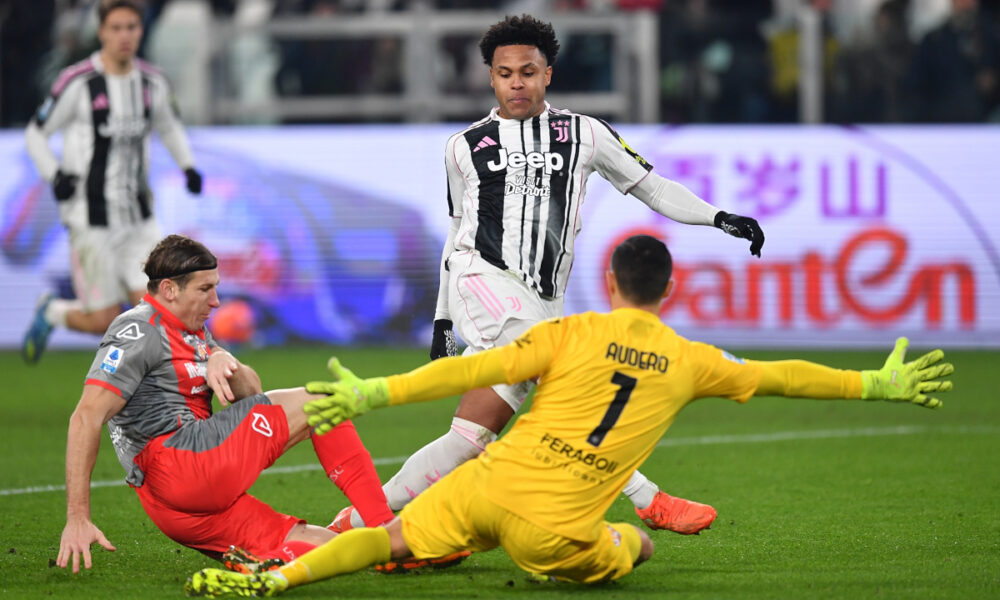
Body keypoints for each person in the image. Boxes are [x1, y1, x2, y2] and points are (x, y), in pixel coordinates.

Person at [184, 234, 953, 596]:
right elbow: (782, 375)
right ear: (668, 294)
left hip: (486, 485)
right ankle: (628, 525)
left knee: (386, 536)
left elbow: (471, 369)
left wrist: (372, 393)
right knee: (639, 546)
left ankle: (277, 585)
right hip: (553, 530)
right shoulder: (692, 359)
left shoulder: (570, 332)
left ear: (610, 282)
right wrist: (871, 386)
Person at [330, 13, 766, 536]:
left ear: (548, 75)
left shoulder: (584, 133)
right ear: (490, 78)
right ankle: (647, 498)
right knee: (562, 374)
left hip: (541, 301)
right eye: (505, 73)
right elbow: (455, 232)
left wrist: (718, 216)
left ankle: (357, 521)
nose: (517, 83)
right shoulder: (464, 146)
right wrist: (443, 317)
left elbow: (653, 187)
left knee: (470, 437)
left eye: (528, 72)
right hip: (481, 279)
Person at [57, 234, 396, 574]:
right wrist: (77, 518)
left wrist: (221, 357)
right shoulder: (136, 330)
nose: (216, 301)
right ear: (170, 290)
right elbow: (86, 417)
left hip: (176, 510)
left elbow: (252, 394)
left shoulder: (193, 329)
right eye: (205, 289)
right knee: (324, 403)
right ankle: (385, 525)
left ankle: (289, 561)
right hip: (183, 461)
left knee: (336, 550)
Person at [22, 0, 204, 364]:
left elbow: (168, 125)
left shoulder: (152, 82)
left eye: (132, 27)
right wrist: (54, 174)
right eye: (116, 28)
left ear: (141, 31)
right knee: (103, 319)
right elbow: (35, 134)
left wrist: (188, 166)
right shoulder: (77, 82)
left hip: (139, 217)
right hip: (91, 219)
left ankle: (158, 398)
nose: (124, 36)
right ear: (101, 32)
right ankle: (52, 312)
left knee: (162, 307)